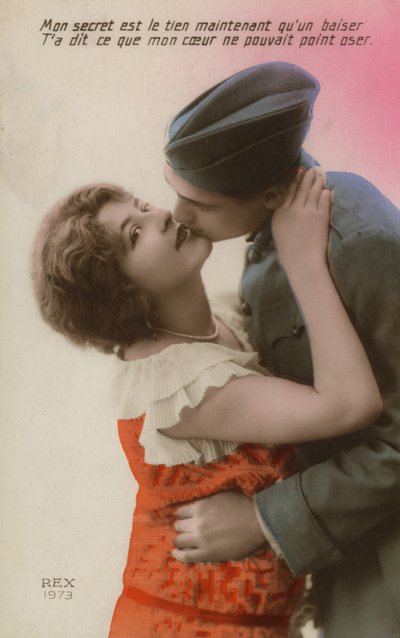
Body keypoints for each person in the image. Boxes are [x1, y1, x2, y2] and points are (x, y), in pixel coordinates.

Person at [31, 171, 381, 638]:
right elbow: (351, 404)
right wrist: (304, 261)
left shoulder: (216, 320)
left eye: (141, 205)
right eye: (134, 235)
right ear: (121, 297)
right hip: (190, 626)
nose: (158, 216)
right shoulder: (176, 385)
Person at [164, 61, 400, 637]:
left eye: (202, 204)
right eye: (176, 193)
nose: (178, 216)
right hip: (349, 541)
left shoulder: (360, 244)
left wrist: (265, 520)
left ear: (271, 191)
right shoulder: (279, 220)